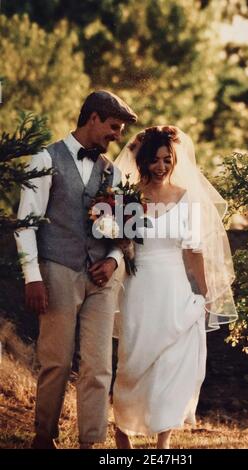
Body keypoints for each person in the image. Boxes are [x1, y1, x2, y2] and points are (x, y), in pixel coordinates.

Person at [15, 90, 137, 449]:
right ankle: (44, 436)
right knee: (56, 359)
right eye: (113, 127)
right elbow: (26, 223)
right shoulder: (44, 158)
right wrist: (33, 277)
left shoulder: (111, 172)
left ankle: (92, 443)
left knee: (99, 365)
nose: (117, 136)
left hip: (102, 279)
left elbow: (123, 230)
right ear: (94, 118)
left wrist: (113, 259)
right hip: (57, 269)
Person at [112, 126, 237, 449]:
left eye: (167, 159)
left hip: (175, 287)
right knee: (133, 360)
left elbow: (194, 251)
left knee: (173, 363)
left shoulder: (187, 197)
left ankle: (163, 443)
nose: (162, 166)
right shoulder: (130, 195)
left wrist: (207, 294)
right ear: (143, 161)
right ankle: (122, 432)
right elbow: (122, 242)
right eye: (154, 160)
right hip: (139, 286)